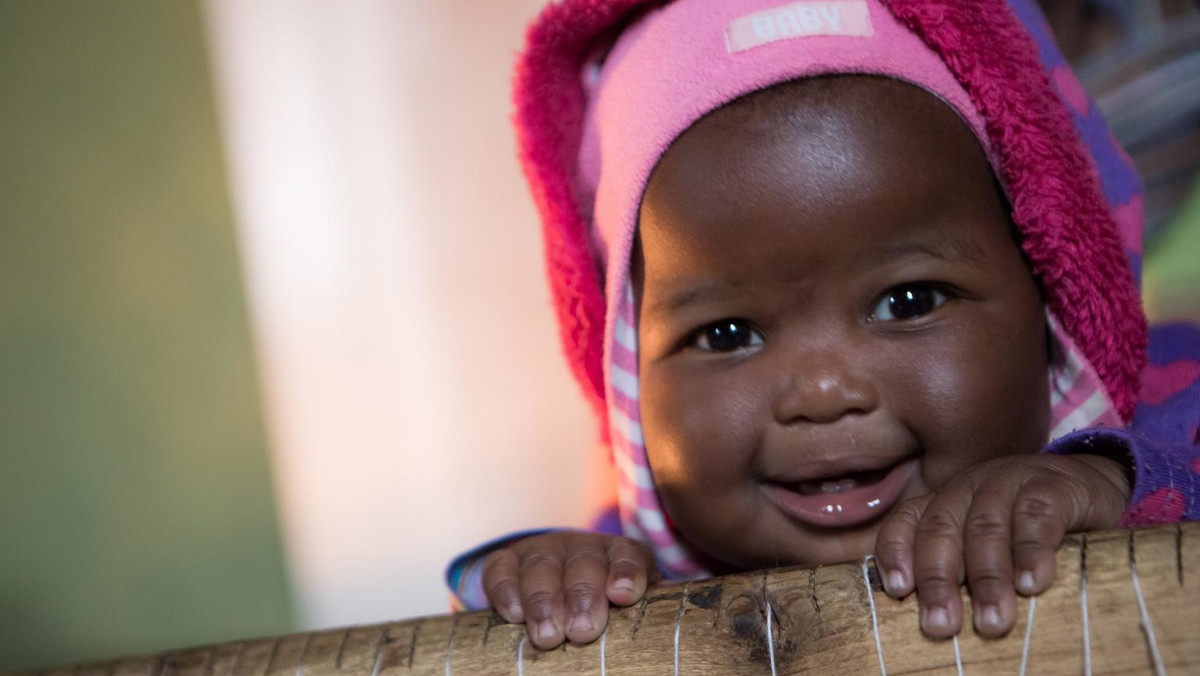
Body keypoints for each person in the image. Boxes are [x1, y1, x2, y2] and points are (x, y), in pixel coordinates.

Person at [447, 0, 1200, 649]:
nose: (822, 390)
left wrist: (1115, 486)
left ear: (1053, 300)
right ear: (629, 377)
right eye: (727, 334)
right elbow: (485, 603)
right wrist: (538, 580)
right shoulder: (633, 568)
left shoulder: (1167, 425)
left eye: (909, 302)